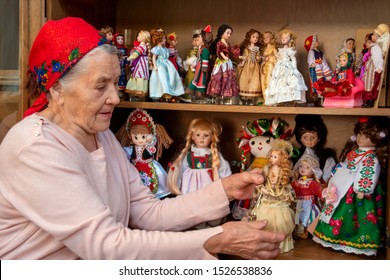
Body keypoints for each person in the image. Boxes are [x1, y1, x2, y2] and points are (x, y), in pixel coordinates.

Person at [0, 17, 285, 260]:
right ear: (57, 90)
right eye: (101, 86)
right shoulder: (35, 147)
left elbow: (149, 213)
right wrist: (217, 239)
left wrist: (224, 189)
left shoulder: (101, 136)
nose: (115, 97)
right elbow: (108, 246)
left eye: (116, 82)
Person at [312, 117, 389, 256]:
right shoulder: (354, 152)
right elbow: (344, 164)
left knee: (354, 213)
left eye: (366, 136)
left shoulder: (371, 157)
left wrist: (363, 189)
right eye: (359, 134)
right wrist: (335, 175)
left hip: (357, 190)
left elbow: (368, 172)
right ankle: (335, 238)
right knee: (336, 207)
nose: (361, 138)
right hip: (344, 184)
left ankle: (357, 242)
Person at [167, 119, 232, 228]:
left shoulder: (214, 155)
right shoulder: (188, 155)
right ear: (192, 136)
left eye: (206, 135)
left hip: (208, 183)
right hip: (191, 185)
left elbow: (224, 171)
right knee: (193, 202)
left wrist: (227, 185)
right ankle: (196, 219)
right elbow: (180, 171)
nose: (201, 139)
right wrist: (177, 185)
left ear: (212, 137)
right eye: (198, 135)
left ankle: (212, 217)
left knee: (209, 201)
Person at [247, 139, 296, 253]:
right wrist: (262, 188)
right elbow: (262, 181)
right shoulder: (266, 168)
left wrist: (280, 193)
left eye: (275, 157)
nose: (271, 159)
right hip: (267, 196)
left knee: (279, 222)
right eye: (271, 156)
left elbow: (286, 187)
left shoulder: (284, 171)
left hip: (278, 197)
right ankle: (265, 242)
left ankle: (279, 243)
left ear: (282, 159)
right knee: (265, 219)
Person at [116, 108, 172, 199]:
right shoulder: (130, 149)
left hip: (148, 168)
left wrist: (151, 139)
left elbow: (152, 146)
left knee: (153, 181)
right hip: (135, 170)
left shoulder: (149, 147)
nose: (140, 140)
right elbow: (123, 154)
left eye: (143, 136)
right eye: (136, 137)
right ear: (130, 136)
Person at [264, 29, 307, 106]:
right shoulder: (280, 50)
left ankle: (289, 99)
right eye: (282, 37)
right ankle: (280, 99)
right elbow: (278, 58)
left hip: (288, 67)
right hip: (279, 66)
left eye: (286, 37)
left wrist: (294, 69)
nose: (283, 39)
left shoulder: (290, 50)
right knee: (278, 81)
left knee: (290, 81)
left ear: (290, 39)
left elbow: (293, 59)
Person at [293, 114, 336, 184]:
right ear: (299, 138)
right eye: (305, 137)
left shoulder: (325, 157)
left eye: (312, 138)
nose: (309, 141)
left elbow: (327, 178)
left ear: (319, 138)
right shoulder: (296, 155)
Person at [291, 151, 323, 239]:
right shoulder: (296, 182)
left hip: (308, 203)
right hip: (298, 203)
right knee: (297, 217)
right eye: (301, 166)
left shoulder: (312, 183)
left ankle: (306, 232)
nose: (302, 169)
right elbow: (291, 190)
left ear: (313, 171)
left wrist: (323, 196)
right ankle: (298, 231)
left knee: (309, 217)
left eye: (307, 167)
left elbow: (319, 191)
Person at [149, 28, 184, 102]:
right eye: (164, 38)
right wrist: (155, 65)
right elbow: (154, 57)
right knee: (162, 78)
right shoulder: (157, 48)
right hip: (160, 65)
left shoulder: (165, 48)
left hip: (167, 64)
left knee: (171, 77)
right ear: (160, 39)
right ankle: (163, 92)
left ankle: (171, 91)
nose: (165, 40)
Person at [206, 24, 239, 105]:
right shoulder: (219, 43)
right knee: (219, 77)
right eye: (227, 33)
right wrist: (224, 56)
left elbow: (231, 51)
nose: (229, 35)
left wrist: (240, 56)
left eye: (230, 34)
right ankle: (218, 95)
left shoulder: (227, 43)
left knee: (228, 78)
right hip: (221, 62)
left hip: (227, 63)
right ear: (222, 32)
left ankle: (226, 95)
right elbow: (220, 51)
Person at [187, 25, 213, 103]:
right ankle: (197, 94)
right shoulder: (202, 49)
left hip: (202, 67)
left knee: (201, 79)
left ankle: (199, 94)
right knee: (199, 79)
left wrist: (204, 67)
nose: (198, 39)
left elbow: (205, 59)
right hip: (200, 66)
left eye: (200, 38)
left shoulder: (205, 50)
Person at [304, 34, 333, 104]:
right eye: (315, 41)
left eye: (316, 40)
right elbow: (310, 61)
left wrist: (324, 66)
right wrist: (313, 64)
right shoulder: (311, 52)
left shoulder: (320, 52)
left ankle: (323, 97)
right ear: (312, 43)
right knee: (316, 82)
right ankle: (316, 98)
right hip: (316, 69)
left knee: (324, 81)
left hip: (321, 67)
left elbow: (323, 61)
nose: (317, 42)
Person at [237, 28, 263, 105]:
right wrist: (242, 63)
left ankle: (251, 98)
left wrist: (259, 58)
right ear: (249, 37)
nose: (255, 39)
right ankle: (245, 97)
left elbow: (258, 57)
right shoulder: (247, 48)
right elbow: (245, 57)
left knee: (254, 80)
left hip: (255, 66)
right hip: (247, 66)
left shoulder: (257, 49)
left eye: (257, 37)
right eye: (253, 37)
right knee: (245, 80)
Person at [125, 30, 151, 101]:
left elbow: (135, 54)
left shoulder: (142, 46)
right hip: (143, 63)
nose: (137, 37)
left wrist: (128, 59)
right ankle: (139, 92)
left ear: (143, 37)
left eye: (139, 36)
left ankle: (138, 92)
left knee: (138, 75)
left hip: (140, 64)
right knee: (140, 76)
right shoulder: (144, 45)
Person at [260, 31, 277, 104]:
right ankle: (265, 99)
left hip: (270, 67)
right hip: (264, 67)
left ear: (271, 38)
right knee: (263, 82)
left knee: (269, 82)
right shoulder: (263, 49)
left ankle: (270, 100)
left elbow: (277, 58)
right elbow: (262, 58)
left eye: (267, 37)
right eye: (264, 37)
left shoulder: (273, 48)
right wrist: (263, 59)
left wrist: (270, 58)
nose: (265, 38)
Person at [113, 33, 129, 98]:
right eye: (118, 39)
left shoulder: (124, 48)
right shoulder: (114, 48)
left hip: (122, 67)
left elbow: (126, 57)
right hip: (116, 65)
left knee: (122, 77)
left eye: (122, 39)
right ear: (115, 39)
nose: (120, 40)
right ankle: (116, 91)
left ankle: (121, 91)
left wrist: (126, 61)